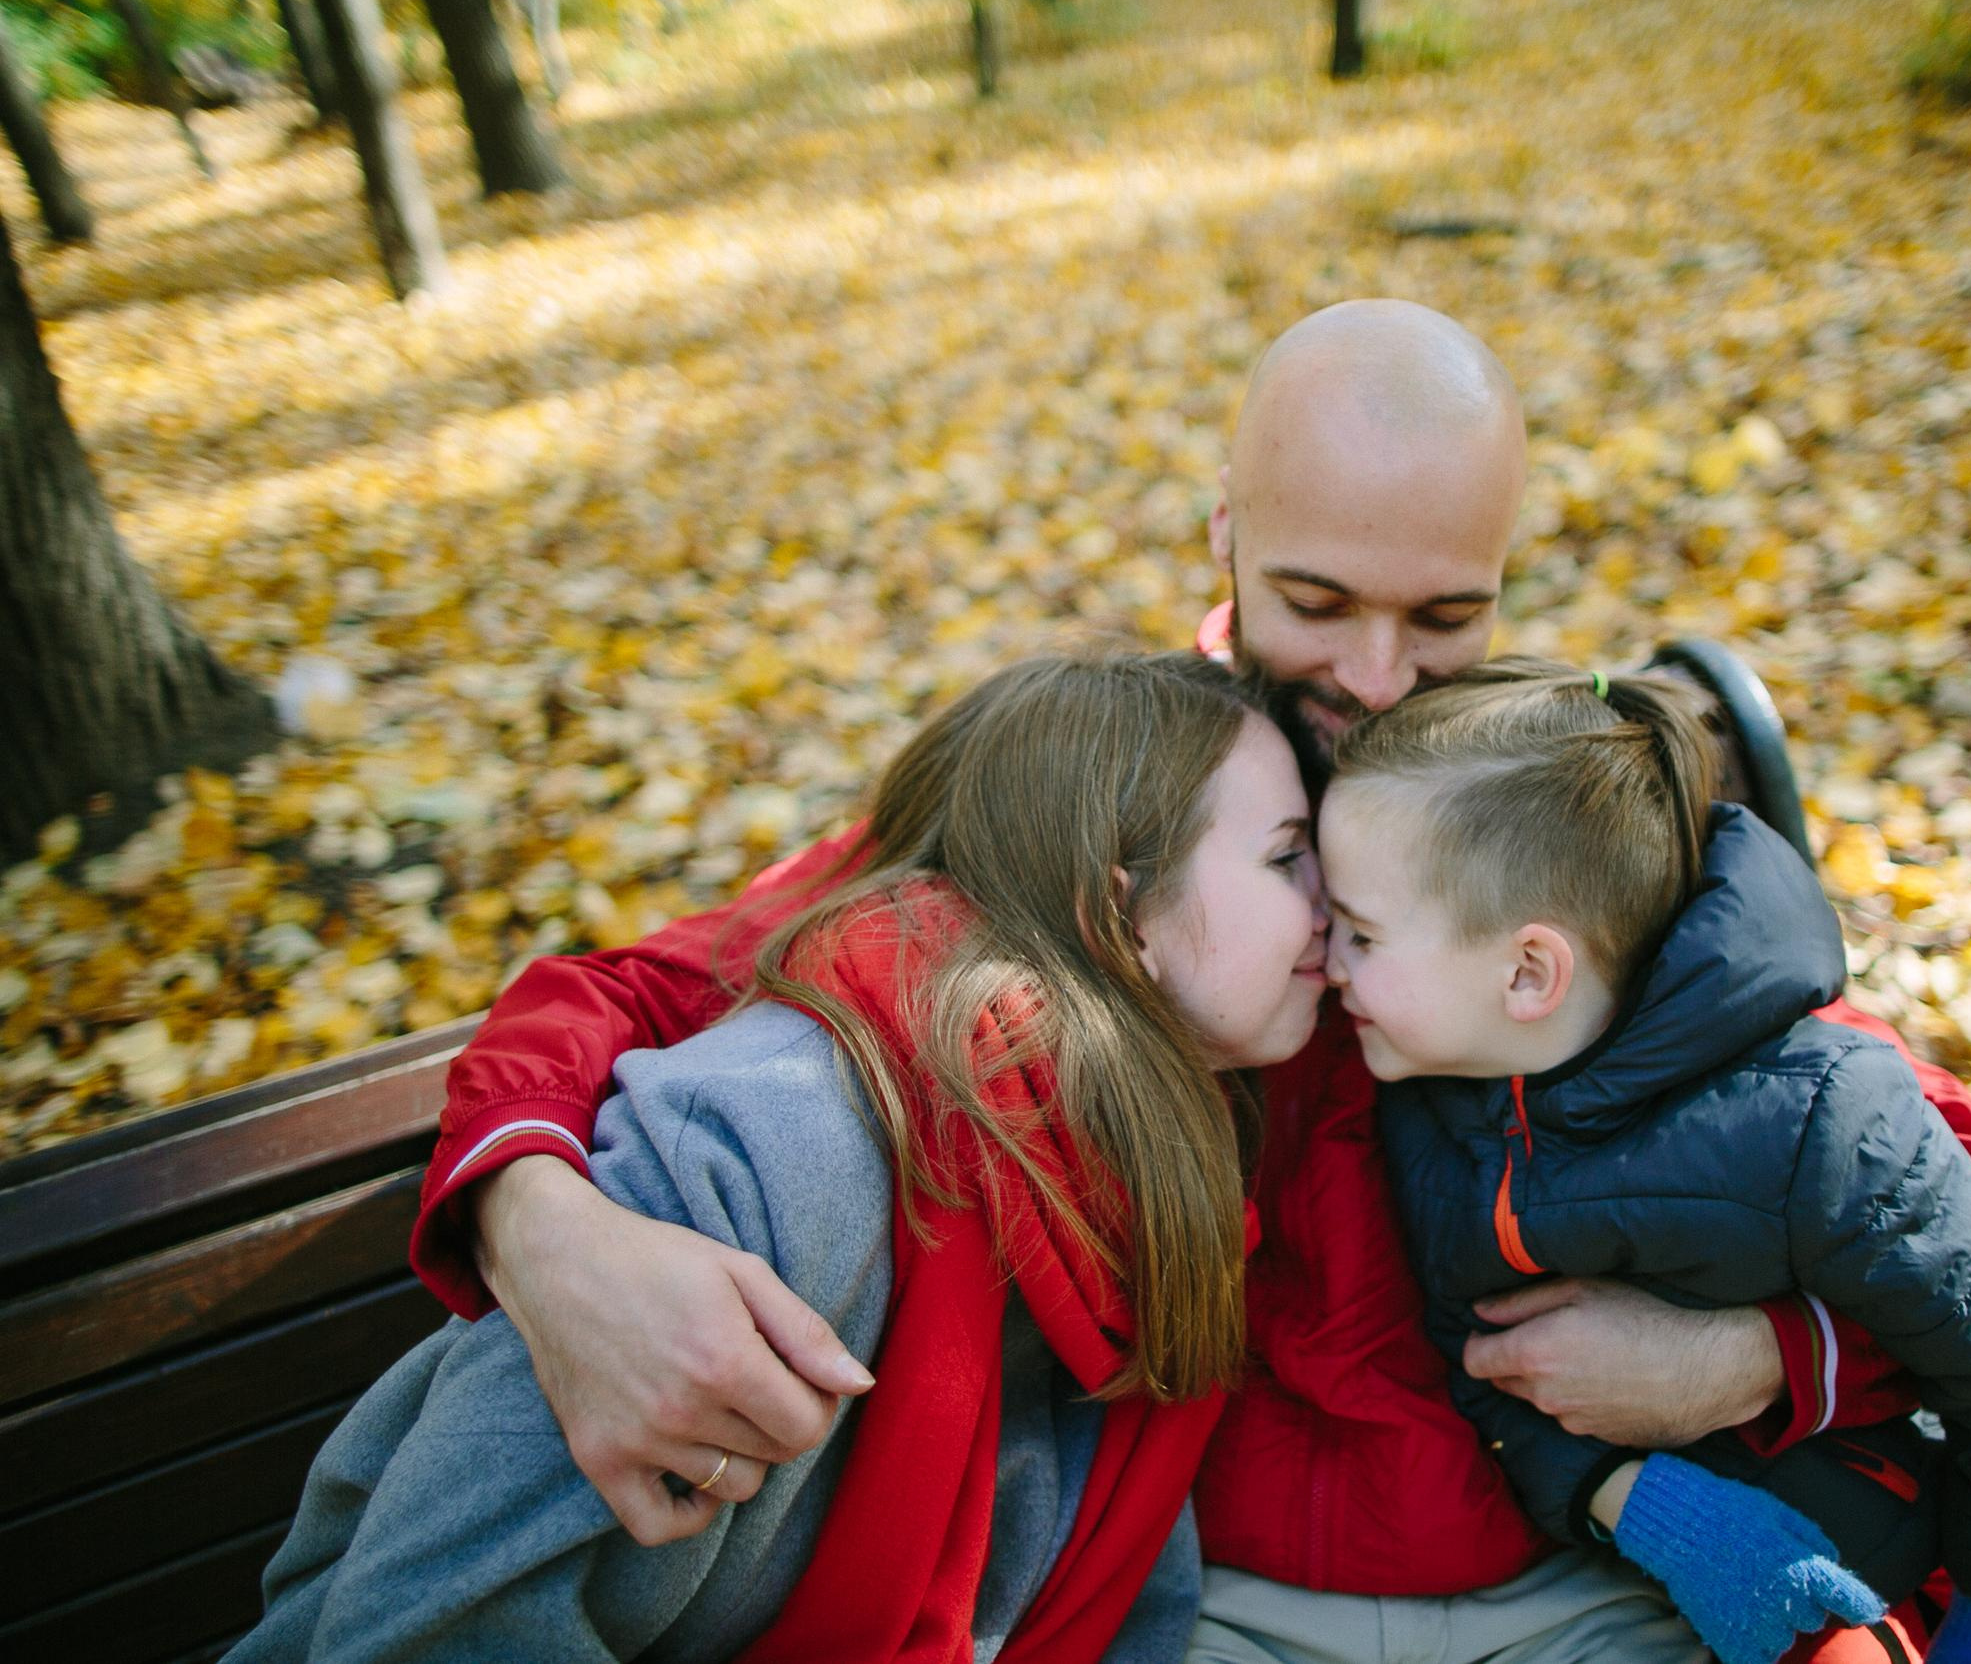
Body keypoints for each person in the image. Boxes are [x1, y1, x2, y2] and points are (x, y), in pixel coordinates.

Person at [410, 300, 1971, 1664]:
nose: (1379, 674)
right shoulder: (1125, 811)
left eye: (1445, 617)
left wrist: (1753, 1355)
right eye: (1318, 603)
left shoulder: (1528, 813)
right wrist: (543, 1232)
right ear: (1223, 544)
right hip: (1216, 1594)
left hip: (1602, 1558)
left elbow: (1914, 1165)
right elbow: (636, 992)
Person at [230, 653, 1337, 1661]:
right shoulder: (770, 1139)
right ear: (1116, 908)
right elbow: (420, 1625)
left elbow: (1122, 1593)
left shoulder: (1157, 1156)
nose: (1333, 904)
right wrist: (527, 1205)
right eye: (1288, 858)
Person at [1325, 660, 1971, 1664]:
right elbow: (1480, 1364)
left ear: (1528, 970)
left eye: (1359, 931)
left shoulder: (1810, 1115)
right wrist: (1646, 1503)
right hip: (1772, 1568)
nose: (1329, 958)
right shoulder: (1433, 1113)